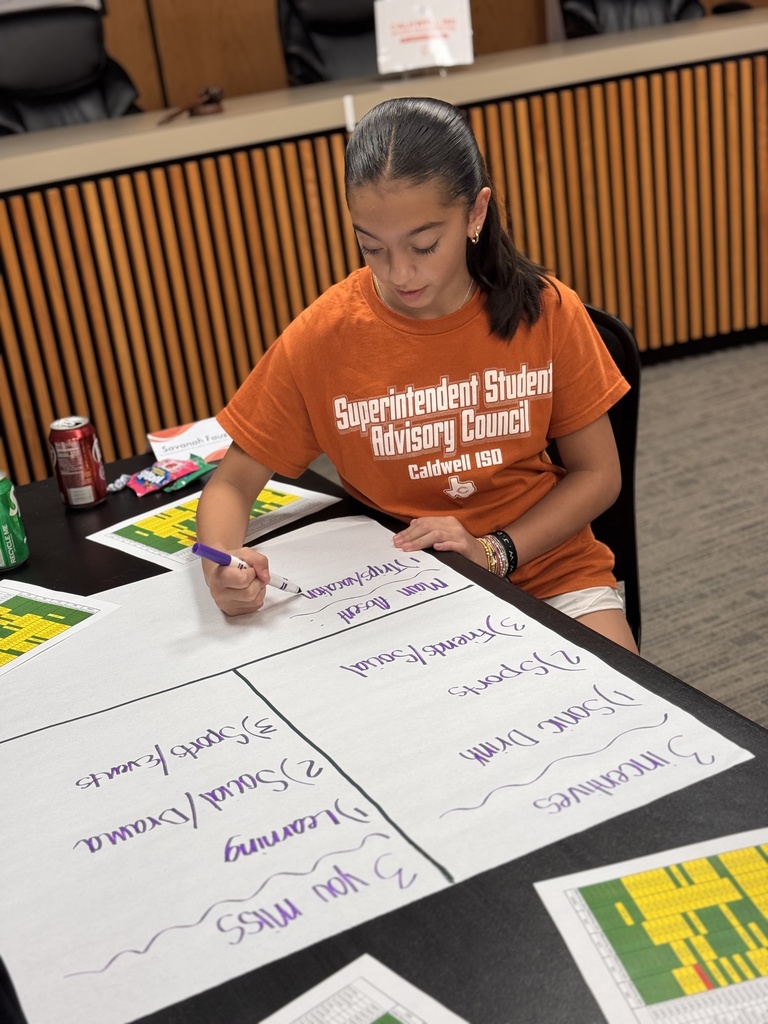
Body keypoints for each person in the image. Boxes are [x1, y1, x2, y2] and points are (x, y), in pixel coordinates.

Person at [195, 96, 638, 653]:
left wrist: (493, 550)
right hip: (404, 597)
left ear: (476, 213)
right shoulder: (325, 336)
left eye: (424, 245)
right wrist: (221, 561)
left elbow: (598, 475)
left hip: (550, 575)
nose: (400, 272)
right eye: (371, 247)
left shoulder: (545, 311)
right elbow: (233, 484)